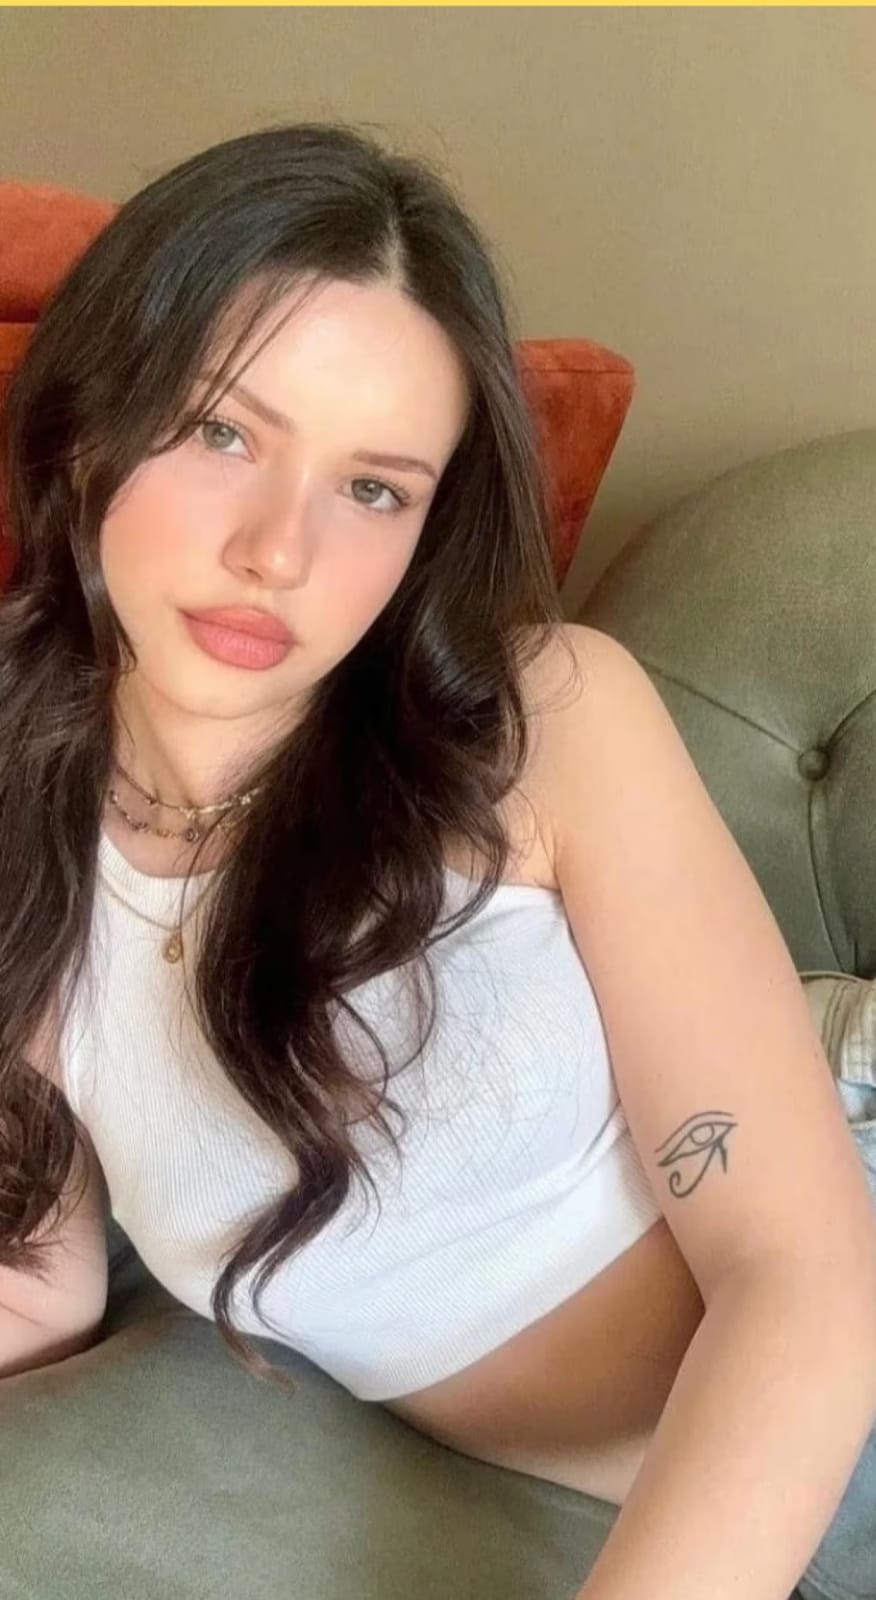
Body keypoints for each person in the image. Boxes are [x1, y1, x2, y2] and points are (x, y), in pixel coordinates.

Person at [1, 121, 875, 1600]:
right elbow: (39, 1275)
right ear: (89, 429)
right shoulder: (24, 825)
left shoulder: (544, 724)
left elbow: (802, 1274)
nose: (279, 551)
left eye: (373, 488)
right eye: (222, 432)